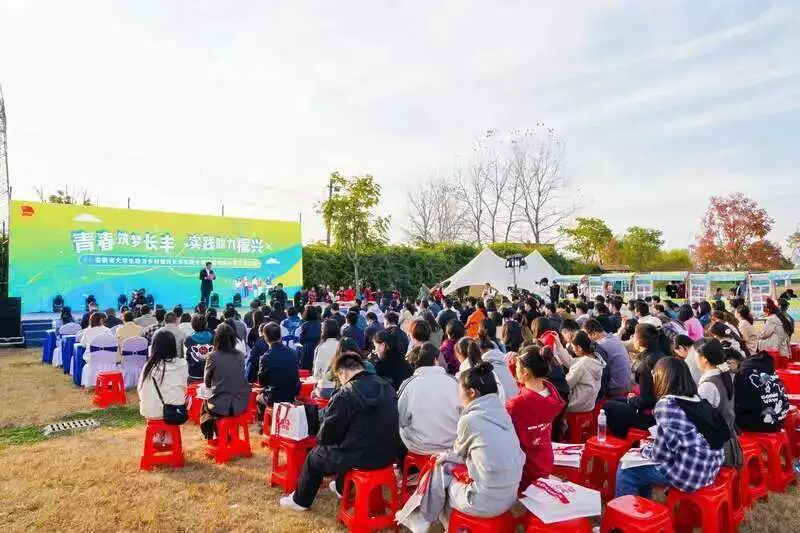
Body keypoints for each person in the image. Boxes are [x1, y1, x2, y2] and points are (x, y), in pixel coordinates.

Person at [280, 351, 399, 511]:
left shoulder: (346, 393)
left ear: (342, 372)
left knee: (314, 458)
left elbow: (327, 436)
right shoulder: (386, 386)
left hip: (362, 456)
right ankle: (340, 487)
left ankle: (300, 501)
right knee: (350, 445)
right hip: (388, 455)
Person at [615, 357, 725, 499]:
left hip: (690, 475)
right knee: (639, 469)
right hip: (710, 468)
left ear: (663, 377)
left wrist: (644, 449)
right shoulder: (697, 399)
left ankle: (630, 516)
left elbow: (660, 455)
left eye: (654, 374)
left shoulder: (667, 404)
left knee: (626, 470)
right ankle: (642, 508)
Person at [435, 363, 524, 523]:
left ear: (471, 392)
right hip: (510, 496)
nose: (458, 395)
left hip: (484, 502)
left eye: (460, 390)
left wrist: (445, 456)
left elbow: (458, 453)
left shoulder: (470, 420)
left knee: (442, 476)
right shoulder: (502, 412)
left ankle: (444, 523)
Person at [506, 345, 565, 489]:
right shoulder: (551, 391)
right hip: (545, 458)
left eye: (518, 367)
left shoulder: (516, 404)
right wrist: (515, 366)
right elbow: (524, 385)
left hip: (527, 467)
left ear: (525, 372)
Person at [398, 343, 460, 458]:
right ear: (435, 360)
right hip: (452, 445)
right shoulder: (453, 381)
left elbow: (400, 419)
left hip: (421, 447)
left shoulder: (409, 384)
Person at [604, 323, 665, 438]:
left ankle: (624, 440)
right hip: (659, 408)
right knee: (618, 400)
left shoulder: (646, 364)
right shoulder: (661, 355)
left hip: (652, 415)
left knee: (608, 407)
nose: (632, 339)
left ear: (640, 341)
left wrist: (632, 400)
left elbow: (647, 400)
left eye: (634, 337)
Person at [695, 339, 743, 467]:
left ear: (704, 359)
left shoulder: (708, 385)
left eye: (696, 356)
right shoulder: (724, 375)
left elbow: (704, 420)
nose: (695, 360)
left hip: (717, 446)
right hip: (727, 438)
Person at [200, 324, 251, 439]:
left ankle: (215, 435)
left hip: (220, 406)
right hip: (241, 403)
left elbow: (207, 382)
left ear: (216, 339)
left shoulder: (212, 356)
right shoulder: (240, 355)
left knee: (204, 405)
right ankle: (222, 434)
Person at [137, 330, 189, 435]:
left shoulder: (148, 366)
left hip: (150, 411)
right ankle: (167, 438)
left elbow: (140, 390)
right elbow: (184, 387)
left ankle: (160, 436)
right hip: (175, 411)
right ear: (173, 346)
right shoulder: (182, 364)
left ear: (154, 346)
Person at [735, 349, 790, 433]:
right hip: (780, 422)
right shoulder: (772, 372)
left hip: (761, 424)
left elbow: (742, 404)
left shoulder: (745, 374)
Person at [583, 318, 631, 398]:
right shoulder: (613, 338)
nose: (586, 338)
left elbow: (600, 373)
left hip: (615, 388)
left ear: (594, 334)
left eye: (587, 335)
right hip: (627, 383)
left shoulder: (600, 346)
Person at [257, 322, 300, 408]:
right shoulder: (293, 352)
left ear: (265, 338)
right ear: (280, 336)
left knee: (258, 397)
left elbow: (262, 382)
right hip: (291, 395)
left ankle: (265, 420)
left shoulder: (265, 357)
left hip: (274, 397)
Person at [564, 331, 605, 413]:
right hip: (589, 404)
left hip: (575, 406)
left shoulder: (582, 364)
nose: (572, 350)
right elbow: (572, 362)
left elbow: (566, 385)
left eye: (573, 347)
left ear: (579, 347)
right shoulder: (597, 360)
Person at [314, 320, 340, 398]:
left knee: (312, 394)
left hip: (325, 388)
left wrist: (317, 381)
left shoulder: (321, 347)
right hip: (340, 388)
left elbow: (317, 373)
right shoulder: (341, 345)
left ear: (323, 331)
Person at [185, 314, 214, 382]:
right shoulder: (214, 337)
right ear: (206, 324)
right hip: (210, 374)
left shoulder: (188, 339)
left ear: (192, 325)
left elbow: (186, 356)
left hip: (194, 374)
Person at [297, 305, 322, 370]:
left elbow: (301, 340)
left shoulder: (305, 325)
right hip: (318, 348)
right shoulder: (320, 324)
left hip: (307, 351)